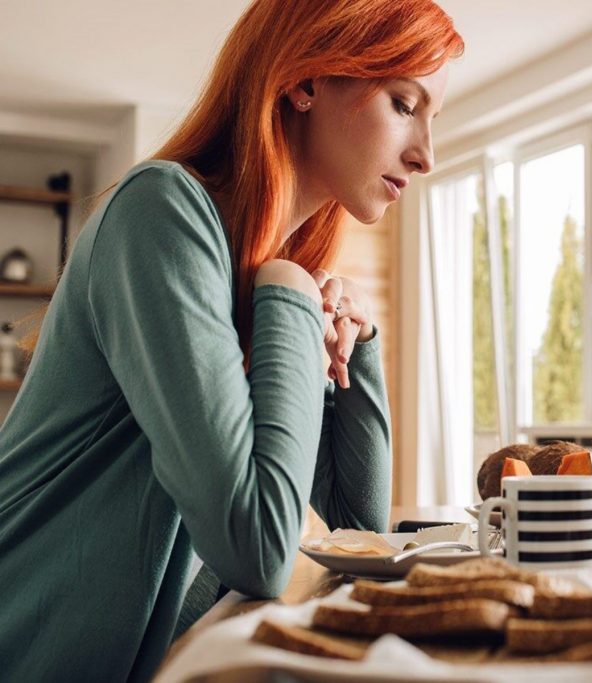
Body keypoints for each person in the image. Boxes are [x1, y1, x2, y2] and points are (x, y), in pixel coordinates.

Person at [0, 0, 462, 680]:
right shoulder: (162, 212)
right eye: (403, 103)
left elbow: (352, 537)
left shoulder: (264, 272)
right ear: (306, 82)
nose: (425, 153)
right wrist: (292, 292)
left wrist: (358, 344)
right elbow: (259, 550)